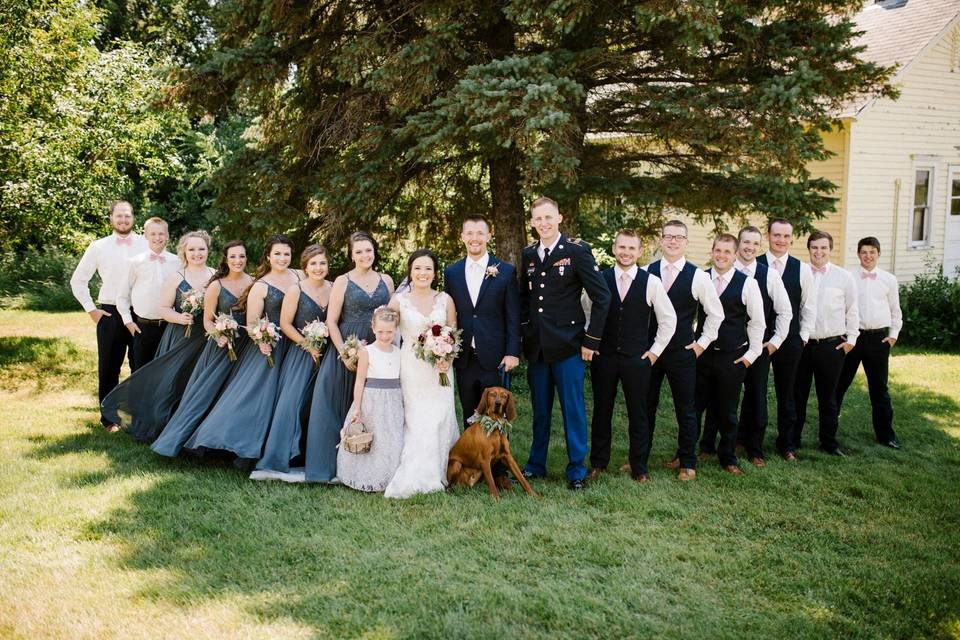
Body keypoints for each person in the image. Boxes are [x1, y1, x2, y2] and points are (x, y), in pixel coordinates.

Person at [183, 235, 301, 468]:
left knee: (287, 399)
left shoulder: (299, 276)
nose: (282, 258)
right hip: (270, 345)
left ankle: (283, 446)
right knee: (255, 398)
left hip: (294, 344)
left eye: (286, 253)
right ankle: (225, 441)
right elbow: (253, 321)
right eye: (277, 253)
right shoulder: (260, 284)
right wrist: (261, 340)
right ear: (268, 256)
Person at [519, 197, 611, 490]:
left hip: (569, 346)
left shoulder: (576, 251)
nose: (543, 223)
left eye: (548, 217)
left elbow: (602, 297)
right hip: (538, 348)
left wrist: (591, 340)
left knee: (573, 409)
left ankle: (576, 470)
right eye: (538, 219)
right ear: (532, 222)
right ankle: (536, 464)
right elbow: (526, 299)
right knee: (541, 410)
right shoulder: (529, 254)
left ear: (559, 218)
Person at [101, 231, 215, 443]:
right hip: (183, 336)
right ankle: (169, 426)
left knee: (204, 383)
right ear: (184, 252)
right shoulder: (177, 278)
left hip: (208, 339)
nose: (197, 253)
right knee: (176, 381)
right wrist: (180, 318)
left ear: (208, 250)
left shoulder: (216, 276)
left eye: (201, 249)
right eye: (191, 249)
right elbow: (163, 309)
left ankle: (200, 429)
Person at [587, 229, 676, 484]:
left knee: (639, 413)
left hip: (637, 360)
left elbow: (668, 320)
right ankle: (598, 463)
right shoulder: (600, 279)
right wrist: (590, 340)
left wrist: (654, 352)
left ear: (639, 252)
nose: (626, 253)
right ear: (614, 249)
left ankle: (640, 466)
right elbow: (586, 310)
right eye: (622, 247)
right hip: (603, 358)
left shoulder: (651, 282)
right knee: (602, 411)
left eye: (631, 248)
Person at [699, 225, 792, 467]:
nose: (749, 247)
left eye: (754, 243)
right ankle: (707, 446)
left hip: (755, 347)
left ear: (759, 247)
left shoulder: (767, 275)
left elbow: (783, 312)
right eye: (745, 243)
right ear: (738, 246)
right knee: (715, 400)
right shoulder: (714, 272)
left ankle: (754, 449)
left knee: (756, 398)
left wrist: (772, 343)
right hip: (716, 351)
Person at [304, 232, 393, 483]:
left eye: (369, 250)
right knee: (335, 402)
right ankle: (331, 465)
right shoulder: (342, 281)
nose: (365, 256)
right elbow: (331, 321)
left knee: (370, 405)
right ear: (351, 255)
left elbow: (392, 317)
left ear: (375, 252)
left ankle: (366, 464)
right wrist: (344, 352)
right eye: (359, 252)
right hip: (347, 344)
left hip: (378, 347)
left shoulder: (386, 280)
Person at [151, 241, 253, 458]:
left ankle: (228, 440)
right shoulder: (216, 283)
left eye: (242, 256)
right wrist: (219, 335)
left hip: (245, 345)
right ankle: (188, 439)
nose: (238, 261)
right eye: (233, 257)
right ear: (225, 258)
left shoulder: (252, 282)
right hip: (216, 343)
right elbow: (207, 319)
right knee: (203, 391)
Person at [646, 220, 724, 482]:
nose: (673, 241)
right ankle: (639, 458)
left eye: (679, 237)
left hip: (682, 352)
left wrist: (701, 344)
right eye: (669, 236)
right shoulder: (647, 271)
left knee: (686, 408)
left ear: (686, 242)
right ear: (661, 239)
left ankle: (687, 461)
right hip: (651, 351)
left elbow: (716, 314)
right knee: (645, 405)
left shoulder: (698, 276)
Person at [384, 249, 460, 498]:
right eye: (417, 268)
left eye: (428, 268)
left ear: (435, 273)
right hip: (412, 367)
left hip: (440, 369)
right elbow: (384, 330)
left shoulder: (445, 299)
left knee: (441, 416)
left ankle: (442, 470)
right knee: (418, 420)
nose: (422, 273)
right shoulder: (399, 301)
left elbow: (453, 334)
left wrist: (446, 357)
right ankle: (419, 473)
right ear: (410, 271)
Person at [252, 244, 332, 479]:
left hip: (327, 353)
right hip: (301, 353)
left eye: (322, 263)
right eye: (313, 264)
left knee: (321, 403)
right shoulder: (296, 290)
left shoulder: (335, 287)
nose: (318, 268)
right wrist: (307, 344)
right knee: (293, 402)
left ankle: (314, 452)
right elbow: (286, 324)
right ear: (305, 267)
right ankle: (284, 453)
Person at [70, 200, 148, 431]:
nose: (123, 220)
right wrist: (91, 309)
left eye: (127, 216)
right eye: (119, 216)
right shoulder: (98, 246)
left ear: (134, 218)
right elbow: (78, 280)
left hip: (140, 311)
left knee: (141, 366)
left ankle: (139, 416)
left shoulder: (146, 243)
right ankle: (108, 419)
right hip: (111, 312)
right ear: (111, 218)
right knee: (109, 367)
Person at [694, 234, 765, 475]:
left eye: (727, 252)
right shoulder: (701, 278)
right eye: (718, 250)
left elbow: (757, 322)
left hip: (731, 356)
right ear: (712, 252)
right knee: (694, 407)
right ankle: (690, 452)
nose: (721, 256)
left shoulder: (747, 283)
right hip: (702, 355)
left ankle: (728, 458)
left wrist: (751, 354)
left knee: (727, 410)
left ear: (735, 255)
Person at [444, 215, 521, 423]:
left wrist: (512, 352)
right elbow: (448, 314)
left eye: (480, 233)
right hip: (465, 358)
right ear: (462, 236)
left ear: (489, 235)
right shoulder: (451, 273)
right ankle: (472, 455)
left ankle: (496, 456)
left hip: (495, 358)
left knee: (496, 417)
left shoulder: (505, 271)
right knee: (470, 416)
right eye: (469, 233)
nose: (474, 238)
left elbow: (513, 315)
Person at [756, 218, 817, 461]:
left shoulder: (802, 269)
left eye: (785, 236)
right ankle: (751, 441)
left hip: (790, 340)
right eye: (776, 235)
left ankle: (787, 444)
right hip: (758, 340)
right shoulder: (755, 264)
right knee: (755, 392)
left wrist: (802, 337)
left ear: (792, 239)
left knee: (788, 392)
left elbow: (809, 307)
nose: (781, 240)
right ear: (768, 236)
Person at [794, 230, 858, 456]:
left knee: (828, 397)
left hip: (832, 346)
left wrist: (851, 340)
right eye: (814, 247)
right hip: (803, 345)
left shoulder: (844, 277)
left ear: (830, 250)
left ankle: (828, 442)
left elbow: (853, 310)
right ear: (809, 249)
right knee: (797, 394)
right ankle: (793, 440)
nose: (818, 252)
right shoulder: (800, 273)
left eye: (823, 248)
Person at [835, 237, 902, 449]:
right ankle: (828, 432)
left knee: (879, 388)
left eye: (872, 252)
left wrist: (893, 336)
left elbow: (895, 311)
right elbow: (840, 307)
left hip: (878, 339)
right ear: (858, 254)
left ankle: (886, 435)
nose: (868, 256)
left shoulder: (889, 279)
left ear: (878, 254)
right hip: (852, 338)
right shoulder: (848, 277)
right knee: (839, 385)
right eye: (864, 252)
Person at [336, 306, 405, 492]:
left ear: (396, 330)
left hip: (393, 402)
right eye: (380, 331)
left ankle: (388, 476)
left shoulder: (400, 353)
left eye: (389, 332)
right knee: (370, 437)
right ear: (373, 328)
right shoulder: (367, 351)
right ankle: (365, 476)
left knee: (391, 439)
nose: (384, 336)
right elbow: (359, 381)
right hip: (371, 401)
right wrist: (357, 407)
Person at [116, 217, 179, 370]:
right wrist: (128, 322)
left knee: (166, 371)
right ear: (145, 236)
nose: (157, 238)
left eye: (161, 234)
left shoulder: (177, 262)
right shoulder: (135, 262)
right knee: (141, 371)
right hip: (143, 327)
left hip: (170, 328)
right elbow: (122, 296)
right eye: (153, 234)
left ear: (167, 235)